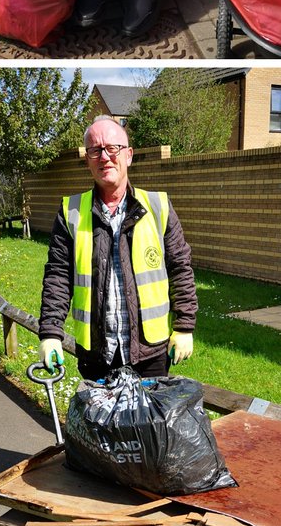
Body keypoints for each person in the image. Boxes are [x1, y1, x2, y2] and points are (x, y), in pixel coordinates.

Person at [38, 117, 196, 381]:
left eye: (113, 148)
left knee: (151, 424)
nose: (105, 157)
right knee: (97, 424)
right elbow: (58, 276)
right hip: (96, 354)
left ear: (129, 155)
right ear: (87, 159)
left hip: (150, 353)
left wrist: (184, 326)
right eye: (95, 150)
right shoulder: (71, 212)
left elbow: (180, 268)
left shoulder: (158, 207)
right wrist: (51, 333)